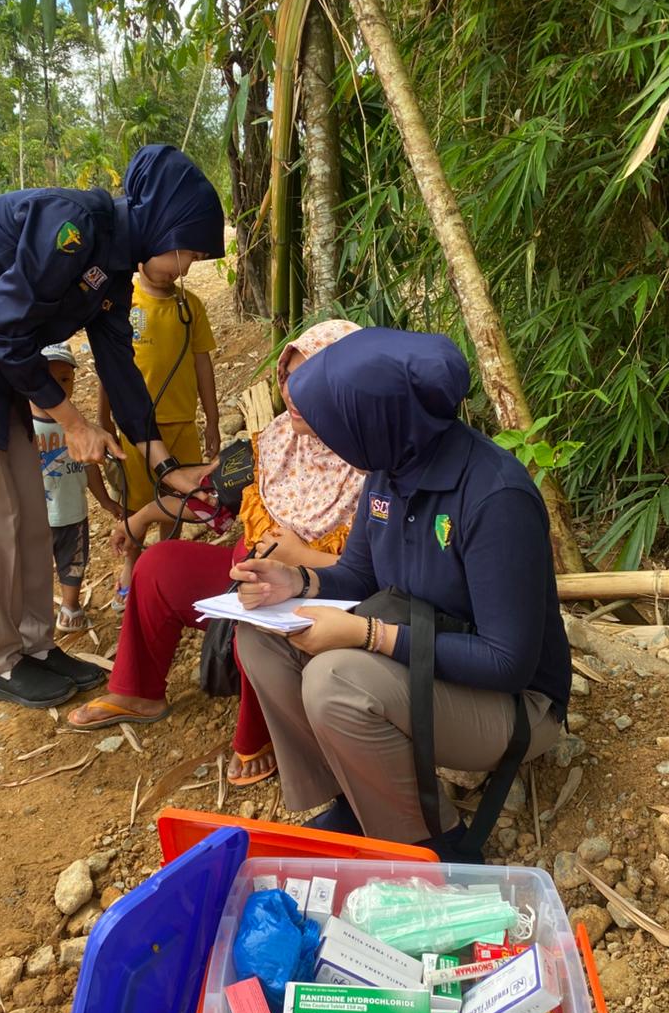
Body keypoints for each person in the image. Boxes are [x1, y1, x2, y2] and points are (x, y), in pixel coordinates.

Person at [0, 144, 223, 709]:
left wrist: (166, 466)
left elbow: (120, 368)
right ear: (165, 226)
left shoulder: (116, 267)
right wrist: (75, 423)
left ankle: (36, 644)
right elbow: (4, 330)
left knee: (30, 516)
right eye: (190, 251)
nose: (188, 266)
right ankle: (1, 661)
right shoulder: (72, 224)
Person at [231, 328, 570, 858]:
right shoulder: (389, 472)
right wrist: (296, 583)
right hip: (430, 659)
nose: (324, 434)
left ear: (378, 421)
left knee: (334, 681)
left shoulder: (494, 498)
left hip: (514, 705)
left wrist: (370, 635)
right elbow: (361, 577)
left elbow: (507, 663)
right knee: (261, 635)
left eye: (335, 424)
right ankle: (352, 793)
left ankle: (432, 842)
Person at [67, 319, 366, 786]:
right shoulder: (276, 440)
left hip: (316, 595)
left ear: (347, 386)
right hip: (245, 576)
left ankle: (260, 735)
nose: (296, 396)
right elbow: (214, 500)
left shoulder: (376, 458)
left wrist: (298, 556)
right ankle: (137, 691)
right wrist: (142, 516)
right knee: (158, 567)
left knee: (258, 624)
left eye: (314, 382)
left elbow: (376, 573)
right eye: (292, 378)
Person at [98, 261, 220, 612]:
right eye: (168, 259)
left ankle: (166, 564)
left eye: (187, 258)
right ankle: (130, 564)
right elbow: (112, 366)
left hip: (181, 421)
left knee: (179, 502)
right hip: (136, 431)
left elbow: (202, 363)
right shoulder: (125, 302)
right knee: (136, 503)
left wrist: (211, 420)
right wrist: (104, 418)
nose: (176, 269)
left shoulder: (190, 305)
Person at [30, 343, 120, 633]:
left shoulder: (78, 426)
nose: (57, 386)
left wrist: (106, 501)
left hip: (72, 511)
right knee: (35, 569)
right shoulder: (23, 426)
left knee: (74, 563)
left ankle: (70, 608)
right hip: (36, 517)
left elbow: (90, 467)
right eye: (48, 379)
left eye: (65, 379)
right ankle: (36, 616)